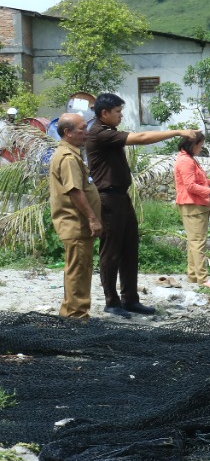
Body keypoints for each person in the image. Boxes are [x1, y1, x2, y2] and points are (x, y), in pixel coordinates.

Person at [86, 93, 198, 317]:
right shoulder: (100, 133)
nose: (120, 116)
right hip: (108, 198)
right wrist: (177, 132)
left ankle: (130, 299)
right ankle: (111, 301)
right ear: (104, 113)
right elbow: (142, 137)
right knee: (111, 251)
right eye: (117, 112)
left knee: (129, 248)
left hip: (120, 196)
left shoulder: (108, 131)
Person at [48, 112, 102, 319]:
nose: (86, 132)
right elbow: (75, 191)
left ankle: (70, 312)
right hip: (76, 223)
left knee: (78, 269)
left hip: (76, 224)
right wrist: (92, 218)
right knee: (79, 270)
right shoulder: (68, 158)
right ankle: (77, 317)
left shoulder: (70, 154)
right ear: (68, 132)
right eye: (82, 129)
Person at [174, 132, 210, 288]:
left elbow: (198, 181)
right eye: (200, 145)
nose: (201, 148)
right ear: (193, 144)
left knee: (194, 242)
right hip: (193, 205)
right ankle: (203, 278)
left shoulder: (188, 159)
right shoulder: (186, 161)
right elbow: (190, 186)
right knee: (198, 243)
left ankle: (193, 275)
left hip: (194, 205)